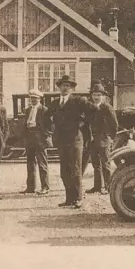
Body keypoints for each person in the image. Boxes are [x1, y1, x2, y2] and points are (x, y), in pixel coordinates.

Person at [50, 75, 98, 209]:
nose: (65, 88)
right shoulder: (55, 103)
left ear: (72, 88)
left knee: (75, 169)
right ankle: (69, 199)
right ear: (59, 87)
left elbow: (95, 109)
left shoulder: (78, 101)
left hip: (75, 140)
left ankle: (78, 198)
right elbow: (46, 117)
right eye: (63, 86)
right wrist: (50, 132)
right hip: (61, 141)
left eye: (68, 86)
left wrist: (83, 123)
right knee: (64, 171)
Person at [85, 83, 118, 195]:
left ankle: (109, 187)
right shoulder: (90, 107)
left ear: (103, 96)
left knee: (106, 164)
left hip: (104, 140)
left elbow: (114, 125)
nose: (96, 97)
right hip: (93, 140)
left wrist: (110, 139)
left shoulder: (107, 108)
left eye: (99, 95)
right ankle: (97, 186)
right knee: (96, 164)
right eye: (94, 94)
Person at [20, 89, 53, 195]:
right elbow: (25, 124)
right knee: (30, 163)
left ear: (40, 99)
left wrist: (45, 136)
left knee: (42, 163)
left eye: (35, 98)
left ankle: (45, 187)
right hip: (30, 137)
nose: (33, 100)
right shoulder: (28, 110)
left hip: (40, 138)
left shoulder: (45, 110)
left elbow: (51, 126)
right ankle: (30, 187)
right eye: (32, 98)